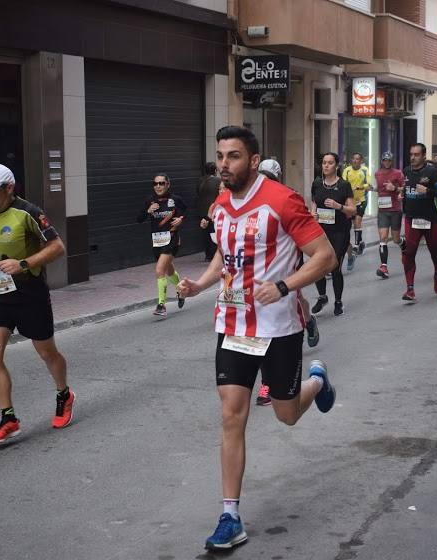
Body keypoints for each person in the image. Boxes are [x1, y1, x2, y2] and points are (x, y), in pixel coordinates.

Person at [177, 126, 337, 551]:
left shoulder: (283, 201)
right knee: (232, 415)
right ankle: (230, 515)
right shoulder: (222, 201)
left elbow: (326, 257)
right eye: (219, 156)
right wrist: (201, 284)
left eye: (232, 157)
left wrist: (285, 286)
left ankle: (318, 381)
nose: (223, 165)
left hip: (279, 327)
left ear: (253, 158)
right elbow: (223, 254)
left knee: (286, 415)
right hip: (233, 323)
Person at [0, 164, 74, 443]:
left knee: (47, 353)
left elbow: (57, 247)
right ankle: (9, 418)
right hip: (0, 295)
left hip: (30, 294)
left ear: (9, 188)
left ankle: (64, 394)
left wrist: (24, 264)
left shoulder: (29, 213)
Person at [254, 159, 320, 406]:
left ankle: (307, 320)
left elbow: (304, 233)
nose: (264, 181)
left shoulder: (288, 199)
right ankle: (265, 383)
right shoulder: (249, 200)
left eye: (269, 177)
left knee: (294, 299)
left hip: (286, 266)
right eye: (262, 176)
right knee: (259, 326)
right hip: (259, 274)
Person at [400, 143, 437, 301]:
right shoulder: (406, 171)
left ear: (424, 156)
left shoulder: (432, 172)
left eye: (416, 154)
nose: (413, 157)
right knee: (408, 253)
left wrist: (428, 191)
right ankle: (410, 289)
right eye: (411, 154)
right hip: (411, 219)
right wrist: (402, 196)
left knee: (435, 251)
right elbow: (407, 190)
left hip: (430, 219)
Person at [310, 153, 356, 316]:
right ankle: (322, 297)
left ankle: (338, 301)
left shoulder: (344, 185)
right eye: (324, 163)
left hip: (340, 232)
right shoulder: (317, 184)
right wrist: (313, 214)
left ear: (336, 166)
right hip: (321, 231)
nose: (326, 166)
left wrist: (339, 206)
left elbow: (353, 210)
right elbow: (314, 203)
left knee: (335, 268)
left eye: (330, 163)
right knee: (318, 266)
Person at [138, 173, 187, 316]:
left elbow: (186, 210)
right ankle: (181, 290)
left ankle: (161, 305)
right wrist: (148, 211)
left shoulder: (175, 199)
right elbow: (139, 219)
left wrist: (180, 219)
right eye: (155, 184)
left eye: (161, 183)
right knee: (168, 270)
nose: (158, 186)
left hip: (172, 238)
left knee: (159, 270)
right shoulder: (150, 201)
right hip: (157, 240)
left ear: (168, 184)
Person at [374, 151, 405, 278]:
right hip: (382, 210)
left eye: (389, 160)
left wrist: (396, 189)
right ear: (382, 161)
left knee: (396, 238)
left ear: (392, 161)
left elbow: (405, 188)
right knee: (383, 238)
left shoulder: (398, 173)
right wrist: (370, 188)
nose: (387, 162)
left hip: (395, 209)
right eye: (385, 160)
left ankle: (404, 246)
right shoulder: (377, 173)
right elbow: (379, 188)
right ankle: (384, 267)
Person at [342, 152, 371, 263]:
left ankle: (356, 245)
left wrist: (361, 187)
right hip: (350, 202)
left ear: (361, 160)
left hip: (362, 200)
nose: (355, 161)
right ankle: (361, 243)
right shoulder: (347, 170)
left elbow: (368, 184)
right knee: (353, 223)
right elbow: (343, 183)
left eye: (357, 159)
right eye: (353, 159)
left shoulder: (365, 170)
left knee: (357, 221)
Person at [198, 162, 221, 261]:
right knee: (213, 232)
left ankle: (207, 255)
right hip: (213, 210)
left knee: (205, 234)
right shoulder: (218, 181)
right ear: (215, 170)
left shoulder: (200, 180)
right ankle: (213, 254)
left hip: (201, 209)